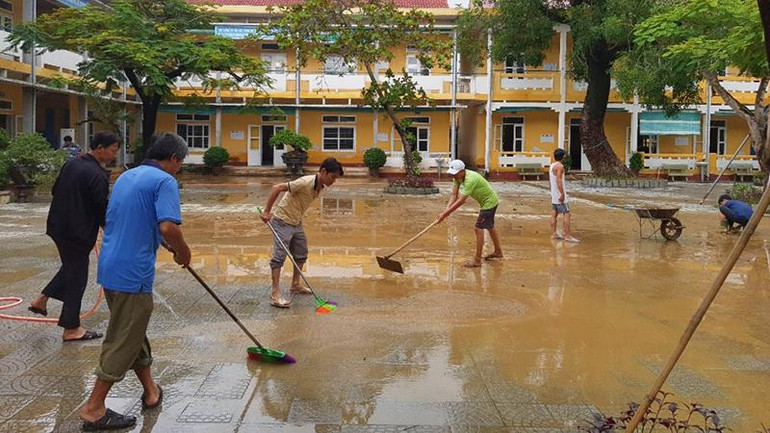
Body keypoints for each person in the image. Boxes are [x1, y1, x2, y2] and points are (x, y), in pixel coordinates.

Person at [78, 133, 191, 431]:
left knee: (133, 331)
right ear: (175, 159)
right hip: (133, 273)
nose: (178, 168)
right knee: (124, 338)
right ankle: (93, 408)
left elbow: (135, 220)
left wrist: (160, 241)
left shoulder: (126, 177)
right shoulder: (165, 181)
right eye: (181, 163)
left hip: (111, 267)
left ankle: (151, 391)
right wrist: (183, 250)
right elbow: (168, 226)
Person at [28, 132, 120, 341]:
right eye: (113, 151)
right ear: (99, 148)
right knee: (77, 276)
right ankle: (71, 328)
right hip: (77, 233)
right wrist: (110, 233)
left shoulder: (72, 164)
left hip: (58, 226)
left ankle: (41, 300)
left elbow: (54, 190)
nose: (114, 155)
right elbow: (100, 209)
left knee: (71, 267)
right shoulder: (97, 175)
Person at [260, 157, 343, 308]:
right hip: (282, 221)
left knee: (301, 253)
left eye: (336, 178)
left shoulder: (320, 185)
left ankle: (295, 285)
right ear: (323, 171)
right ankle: (275, 294)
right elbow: (277, 188)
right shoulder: (305, 182)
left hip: (296, 222)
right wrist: (266, 212)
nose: (333, 181)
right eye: (332, 177)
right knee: (279, 258)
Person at [437, 159, 503, 268]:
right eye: (452, 174)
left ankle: (477, 260)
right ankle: (498, 252)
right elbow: (454, 195)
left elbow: (461, 201)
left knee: (478, 228)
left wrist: (445, 214)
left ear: (462, 171)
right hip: (486, 202)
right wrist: (445, 212)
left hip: (489, 202)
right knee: (490, 227)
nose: (453, 176)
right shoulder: (458, 178)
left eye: (455, 174)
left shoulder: (470, 179)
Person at [549, 148, 580, 243]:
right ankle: (567, 236)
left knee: (554, 212)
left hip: (554, 194)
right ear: (563, 156)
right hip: (559, 194)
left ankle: (554, 233)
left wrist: (552, 192)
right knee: (567, 213)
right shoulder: (560, 167)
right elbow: (559, 181)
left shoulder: (552, 165)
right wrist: (562, 194)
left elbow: (550, 181)